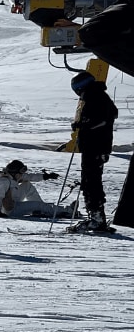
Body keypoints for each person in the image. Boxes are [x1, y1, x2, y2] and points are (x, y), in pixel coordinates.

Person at [70, 70, 119, 231]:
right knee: (90, 181)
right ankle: (96, 216)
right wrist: (81, 124)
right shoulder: (94, 96)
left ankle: (97, 219)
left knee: (91, 182)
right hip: (95, 146)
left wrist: (84, 125)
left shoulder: (96, 97)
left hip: (96, 146)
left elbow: (102, 120)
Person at [0, 160, 66, 218]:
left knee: (27, 185)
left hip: (13, 201)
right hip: (9, 210)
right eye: (21, 173)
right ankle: (66, 211)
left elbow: (30, 177)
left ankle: (40, 210)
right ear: (15, 173)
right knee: (38, 205)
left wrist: (46, 176)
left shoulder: (13, 177)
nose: (22, 175)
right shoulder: (4, 181)